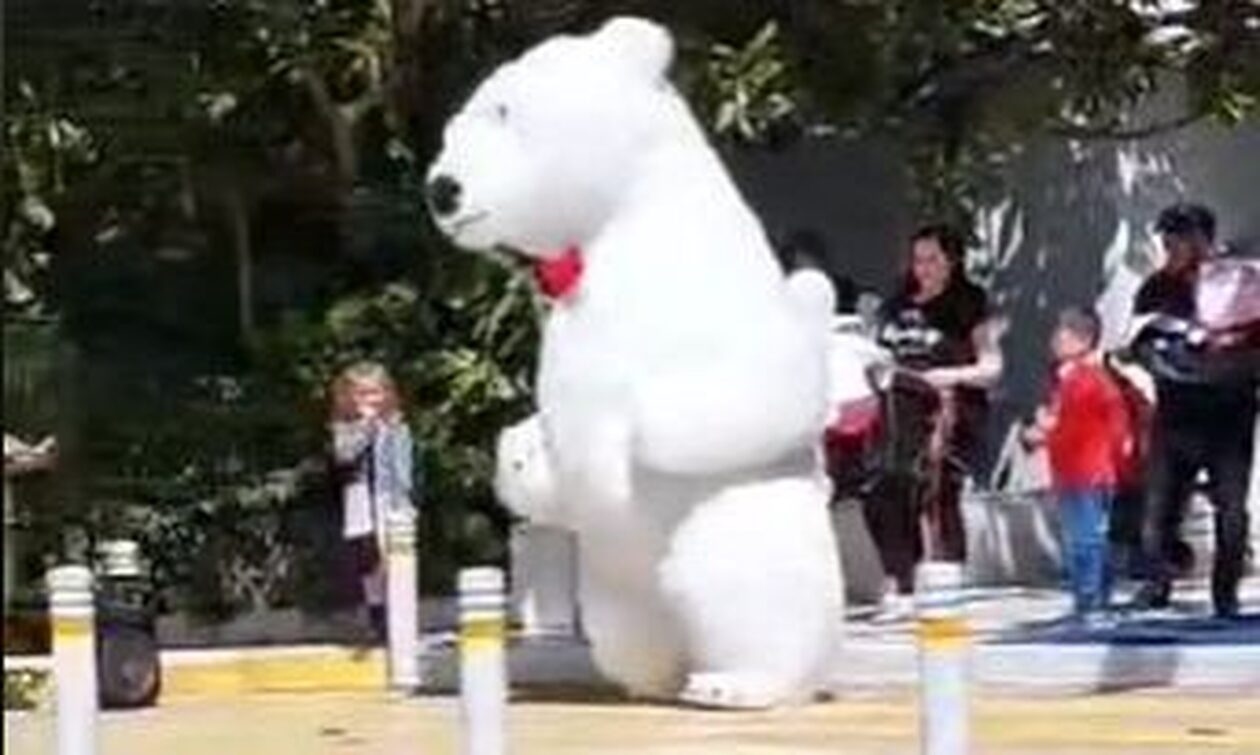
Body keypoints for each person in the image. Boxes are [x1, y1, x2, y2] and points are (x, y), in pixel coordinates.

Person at [1129, 203, 1257, 619]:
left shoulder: (1240, 284)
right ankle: (1158, 580)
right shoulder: (1156, 289)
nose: (1170, 245)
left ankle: (1225, 592)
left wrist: (1223, 361)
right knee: (1159, 508)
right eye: (1166, 238)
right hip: (1176, 413)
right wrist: (1177, 365)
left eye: (1179, 237)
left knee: (1231, 510)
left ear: (1202, 239)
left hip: (1230, 414)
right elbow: (1142, 344)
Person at [868, 224, 1003, 613]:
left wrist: (951, 375)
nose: (923, 268)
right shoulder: (897, 305)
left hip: (947, 409)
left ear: (952, 261)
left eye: (932, 260)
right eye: (918, 260)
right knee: (884, 489)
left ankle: (945, 583)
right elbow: (879, 352)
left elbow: (991, 367)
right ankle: (900, 579)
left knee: (937, 492)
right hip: (897, 409)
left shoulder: (969, 304)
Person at [1023, 308, 1133, 625]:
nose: (1056, 340)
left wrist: (1044, 430)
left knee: (1086, 540)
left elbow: (1104, 425)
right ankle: (1093, 599)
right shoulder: (1070, 380)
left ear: (1083, 340)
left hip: (1087, 472)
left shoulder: (1087, 379)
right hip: (1074, 471)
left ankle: (1091, 601)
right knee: (1087, 538)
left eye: (1064, 334)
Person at [329, 361, 418, 637]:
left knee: (394, 554)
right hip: (360, 498)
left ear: (386, 393)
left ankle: (399, 612)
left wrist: (405, 499)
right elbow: (345, 455)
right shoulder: (346, 427)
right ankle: (377, 615)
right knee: (369, 558)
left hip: (389, 496)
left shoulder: (396, 425)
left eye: (375, 392)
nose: (370, 400)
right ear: (350, 396)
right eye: (362, 394)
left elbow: (403, 465)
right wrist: (365, 427)